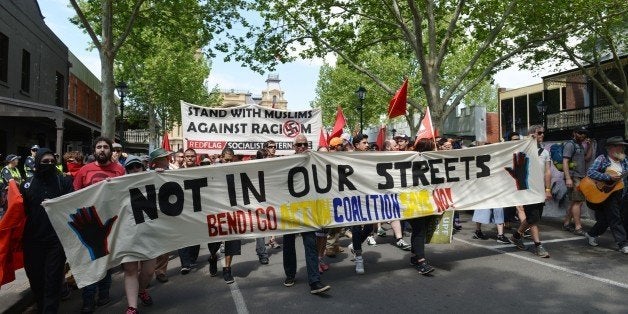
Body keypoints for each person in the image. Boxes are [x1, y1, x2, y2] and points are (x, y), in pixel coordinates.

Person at [73, 137, 126, 313]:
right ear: (94, 150)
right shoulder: (84, 171)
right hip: (89, 224)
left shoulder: (119, 170)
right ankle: (88, 299)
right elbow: (74, 196)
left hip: (111, 223)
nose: (102, 149)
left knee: (106, 261)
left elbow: (125, 194)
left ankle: (104, 293)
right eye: (99, 147)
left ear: (111, 150)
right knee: (89, 262)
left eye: (105, 147)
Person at [21, 148, 73, 313]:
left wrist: (57, 204)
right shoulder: (26, 185)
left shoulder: (63, 182)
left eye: (52, 161)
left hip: (56, 240)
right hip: (32, 240)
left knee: (52, 280)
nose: (49, 164)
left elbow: (73, 205)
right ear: (37, 163)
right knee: (36, 279)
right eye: (45, 162)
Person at [283, 134, 330, 294]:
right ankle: (290, 274)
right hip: (289, 211)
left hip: (307, 211)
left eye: (305, 144)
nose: (302, 147)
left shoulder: (314, 161)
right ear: (293, 146)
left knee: (310, 245)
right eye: (299, 145)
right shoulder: (284, 163)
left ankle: (315, 282)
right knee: (288, 245)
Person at [509, 125, 553, 258]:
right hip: (527, 189)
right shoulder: (522, 149)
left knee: (534, 217)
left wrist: (548, 189)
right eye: (539, 133)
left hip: (539, 189)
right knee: (533, 218)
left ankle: (517, 235)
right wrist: (528, 141)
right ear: (531, 134)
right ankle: (538, 245)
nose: (542, 135)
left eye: (543, 133)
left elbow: (547, 172)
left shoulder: (545, 152)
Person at [121, 155, 156, 314]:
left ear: (143, 167)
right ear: (126, 170)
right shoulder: (118, 186)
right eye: (131, 167)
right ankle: (132, 307)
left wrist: (161, 175)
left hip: (149, 234)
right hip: (128, 235)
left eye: (137, 166)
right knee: (130, 270)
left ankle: (141, 290)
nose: (135, 170)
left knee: (148, 271)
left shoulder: (153, 181)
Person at [583, 136, 628, 254]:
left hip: (622, 193)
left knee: (606, 219)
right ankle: (622, 243)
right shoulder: (602, 159)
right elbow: (591, 172)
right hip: (607, 193)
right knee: (615, 218)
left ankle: (591, 234)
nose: (622, 148)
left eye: (623, 146)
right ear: (610, 148)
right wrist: (608, 177)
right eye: (619, 146)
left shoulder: (625, 160)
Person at [207, 147, 243, 284]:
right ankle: (212, 257)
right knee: (213, 242)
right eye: (226, 159)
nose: (228, 162)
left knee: (232, 240)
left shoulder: (237, 170)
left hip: (232, 211)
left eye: (230, 159)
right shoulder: (212, 170)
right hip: (215, 211)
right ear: (221, 157)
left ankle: (227, 269)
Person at [347, 133, 377, 274]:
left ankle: (354, 245)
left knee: (370, 227)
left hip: (368, 197)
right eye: (364, 143)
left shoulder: (371, 157)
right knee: (357, 228)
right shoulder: (347, 158)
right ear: (356, 145)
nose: (367, 145)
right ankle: (359, 258)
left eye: (367, 143)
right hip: (353, 198)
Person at [408, 138, 437, 275]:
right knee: (419, 230)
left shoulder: (432, 161)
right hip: (413, 201)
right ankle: (421, 262)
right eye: (432, 148)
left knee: (420, 230)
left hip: (427, 200)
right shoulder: (409, 160)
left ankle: (415, 256)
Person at [562, 126, 593, 235]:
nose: (583, 135)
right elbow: (565, 161)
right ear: (574, 133)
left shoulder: (580, 145)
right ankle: (578, 227)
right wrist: (568, 178)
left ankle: (566, 223)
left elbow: (587, 158)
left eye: (584, 133)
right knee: (578, 201)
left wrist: (589, 146)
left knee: (574, 201)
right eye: (580, 133)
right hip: (574, 176)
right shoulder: (570, 144)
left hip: (580, 176)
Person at [150, 148, 175, 284]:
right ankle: (145, 275)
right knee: (149, 246)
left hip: (166, 213)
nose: (168, 160)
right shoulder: (145, 174)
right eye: (165, 158)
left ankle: (160, 271)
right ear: (156, 161)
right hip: (150, 214)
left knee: (165, 245)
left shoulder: (172, 173)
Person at [178, 148, 202, 274]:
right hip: (183, 209)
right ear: (184, 158)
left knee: (195, 236)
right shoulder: (177, 173)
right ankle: (185, 263)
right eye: (187, 156)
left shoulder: (201, 171)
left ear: (196, 157)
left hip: (198, 209)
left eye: (192, 156)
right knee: (182, 236)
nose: (190, 158)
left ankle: (192, 258)